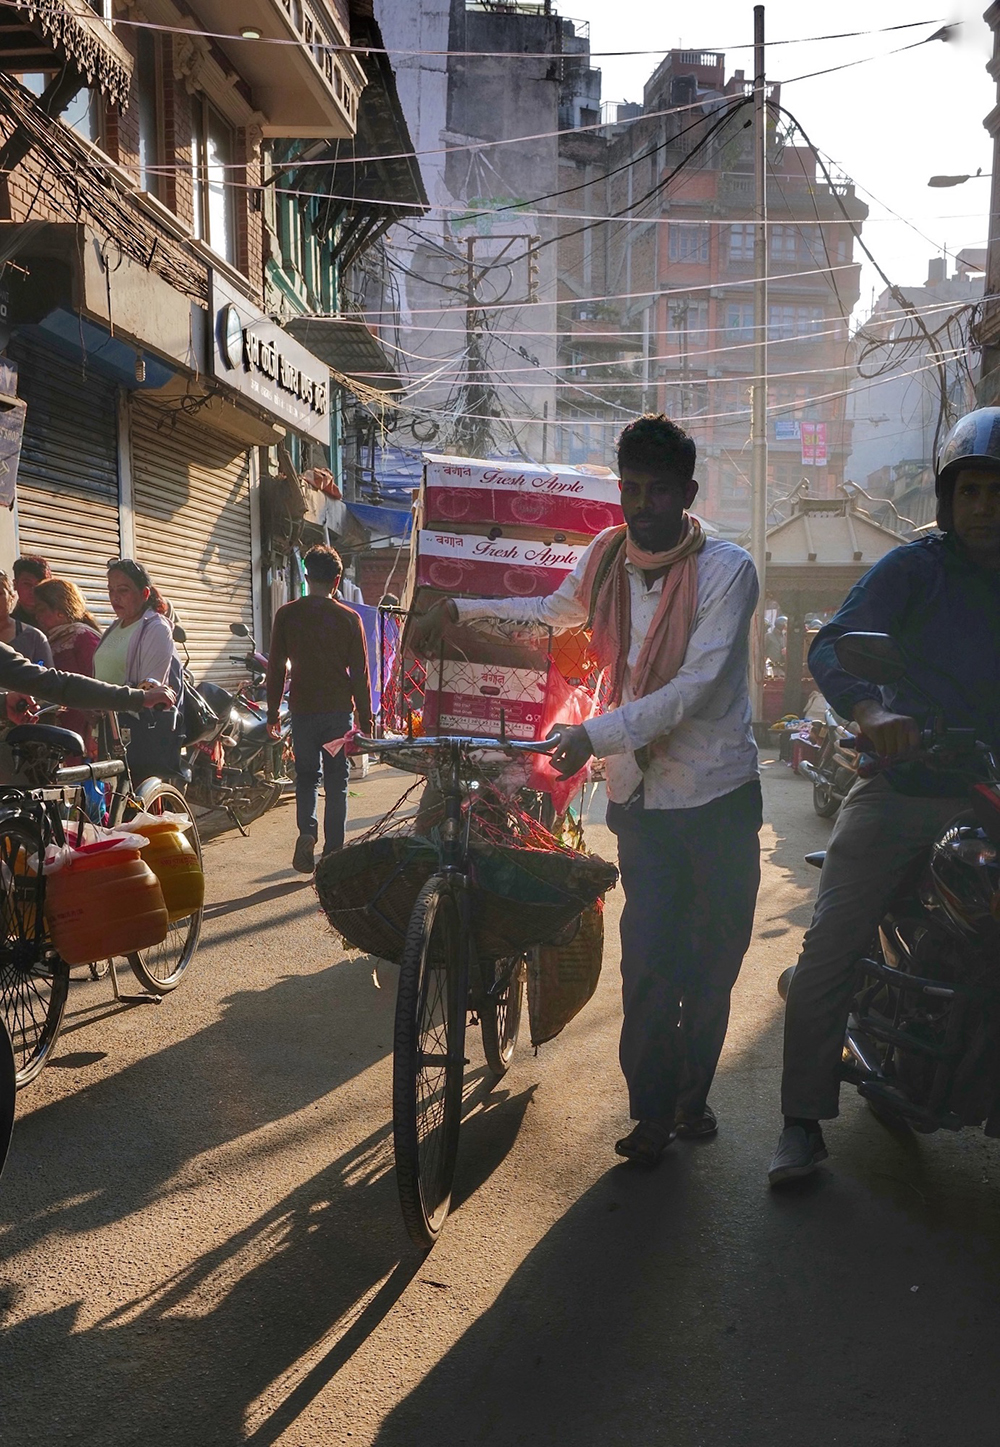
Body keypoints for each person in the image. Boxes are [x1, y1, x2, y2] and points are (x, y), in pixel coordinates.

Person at [418, 414, 762, 1164]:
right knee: (647, 961)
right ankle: (652, 1114)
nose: (640, 503)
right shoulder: (607, 558)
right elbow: (551, 611)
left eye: (657, 489)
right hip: (643, 801)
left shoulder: (730, 569)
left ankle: (688, 1099)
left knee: (710, 966)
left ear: (687, 492)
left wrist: (593, 735)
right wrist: (461, 608)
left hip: (719, 797)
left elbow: (695, 689)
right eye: (630, 487)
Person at [769, 407, 1000, 1185]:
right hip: (907, 785)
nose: (984, 506)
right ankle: (801, 1122)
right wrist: (873, 710)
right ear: (948, 497)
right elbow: (832, 643)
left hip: (990, 796)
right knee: (831, 940)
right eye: (971, 490)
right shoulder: (915, 569)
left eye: (998, 491)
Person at [266, 545, 373, 873]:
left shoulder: (287, 615)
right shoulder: (349, 618)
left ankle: (307, 832)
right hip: (336, 718)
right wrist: (365, 721)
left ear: (306, 575)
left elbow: (275, 669)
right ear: (337, 579)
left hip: (302, 714)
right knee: (336, 781)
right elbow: (360, 674)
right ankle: (333, 853)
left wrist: (272, 714)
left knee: (306, 778)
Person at [93, 558, 183, 785]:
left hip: (135, 733)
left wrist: (126, 697)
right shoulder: (115, 627)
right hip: (107, 728)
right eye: (111, 590)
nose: (115, 597)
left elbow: (150, 686)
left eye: (123, 590)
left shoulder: (156, 628)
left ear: (144, 594)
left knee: (136, 805)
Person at [33, 578, 102, 757]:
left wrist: (92, 731)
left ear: (61, 612)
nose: (37, 617)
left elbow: (96, 685)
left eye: (41, 610)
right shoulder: (46, 641)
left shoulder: (82, 637)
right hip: (58, 727)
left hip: (82, 728)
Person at [11, 554, 51, 627]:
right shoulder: (7, 627)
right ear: (15, 585)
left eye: (40, 584)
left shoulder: (63, 619)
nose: (33, 591)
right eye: (27, 584)